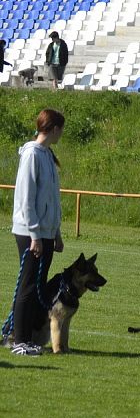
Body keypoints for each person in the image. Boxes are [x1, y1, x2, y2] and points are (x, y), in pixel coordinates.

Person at [7, 109, 65, 355]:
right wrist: (34, 235)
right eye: (61, 128)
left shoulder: (47, 155)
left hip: (46, 233)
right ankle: (18, 340)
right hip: (31, 233)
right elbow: (26, 198)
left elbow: (51, 199)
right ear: (53, 129)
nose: (62, 133)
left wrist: (56, 232)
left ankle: (27, 337)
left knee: (37, 286)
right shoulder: (31, 154)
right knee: (28, 286)